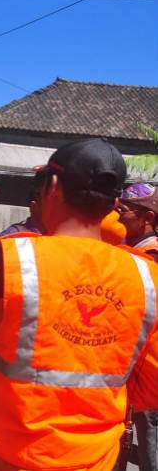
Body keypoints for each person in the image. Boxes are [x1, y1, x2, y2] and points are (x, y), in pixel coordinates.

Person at [0, 138, 158, 471]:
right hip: (98, 460)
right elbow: (149, 390)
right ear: (114, 201)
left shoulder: (16, 261)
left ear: (51, 186)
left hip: (17, 457)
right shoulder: (145, 276)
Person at [118, 182, 158, 471]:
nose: (118, 217)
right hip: (134, 366)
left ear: (148, 218)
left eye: (125, 211)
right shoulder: (130, 253)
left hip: (149, 368)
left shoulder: (152, 257)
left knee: (149, 442)